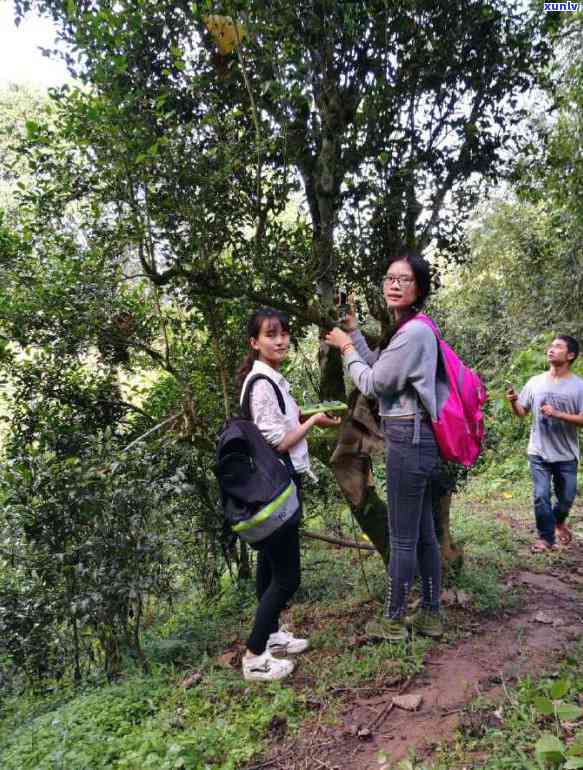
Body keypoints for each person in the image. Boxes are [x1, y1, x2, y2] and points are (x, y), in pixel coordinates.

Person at [325, 251, 449, 642]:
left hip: (407, 438)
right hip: (418, 437)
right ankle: (430, 614)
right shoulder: (411, 329)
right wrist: (356, 332)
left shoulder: (413, 332)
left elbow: (374, 383)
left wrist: (345, 347)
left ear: (420, 288)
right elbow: (382, 365)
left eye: (405, 279)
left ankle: (394, 620)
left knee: (404, 536)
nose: (394, 284)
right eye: (390, 278)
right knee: (425, 532)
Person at [237, 307, 340, 681]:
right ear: (255, 342)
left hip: (278, 484)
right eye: (270, 335)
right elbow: (278, 441)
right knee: (287, 576)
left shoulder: (271, 379)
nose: (279, 340)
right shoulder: (262, 383)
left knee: (268, 565)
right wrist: (311, 422)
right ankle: (254, 656)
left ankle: (273, 636)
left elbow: (283, 424)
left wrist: (312, 417)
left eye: (283, 334)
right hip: (276, 486)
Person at [506, 335, 583, 552]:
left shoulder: (579, 386)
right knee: (541, 496)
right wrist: (513, 401)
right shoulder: (535, 381)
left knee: (566, 499)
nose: (551, 349)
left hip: (566, 454)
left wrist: (557, 413)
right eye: (551, 346)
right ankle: (545, 539)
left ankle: (558, 522)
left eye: (558, 347)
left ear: (570, 355)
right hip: (538, 451)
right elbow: (522, 412)